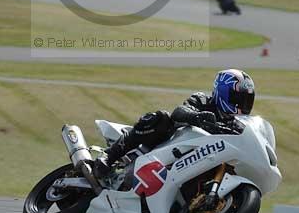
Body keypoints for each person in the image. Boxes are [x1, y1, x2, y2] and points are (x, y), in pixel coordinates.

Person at [93, 68, 255, 179]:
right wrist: (197, 117)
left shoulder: (236, 125)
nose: (241, 104)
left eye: (246, 100)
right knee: (162, 118)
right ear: (222, 92)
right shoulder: (203, 100)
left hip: (199, 162)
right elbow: (179, 111)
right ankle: (109, 155)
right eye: (237, 98)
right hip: (168, 146)